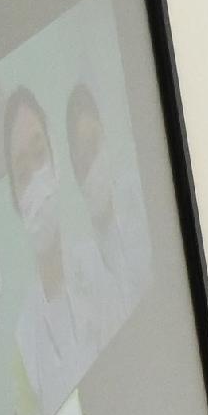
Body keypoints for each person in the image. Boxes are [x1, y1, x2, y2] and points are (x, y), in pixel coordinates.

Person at [6, 85, 126, 415]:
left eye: (40, 154)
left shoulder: (97, 264)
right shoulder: (23, 341)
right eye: (22, 175)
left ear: (57, 163)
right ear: (16, 201)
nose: (36, 184)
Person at [67, 77, 154, 305]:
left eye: (94, 142)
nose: (92, 163)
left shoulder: (138, 192)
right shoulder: (83, 256)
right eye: (82, 158)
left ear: (104, 135)